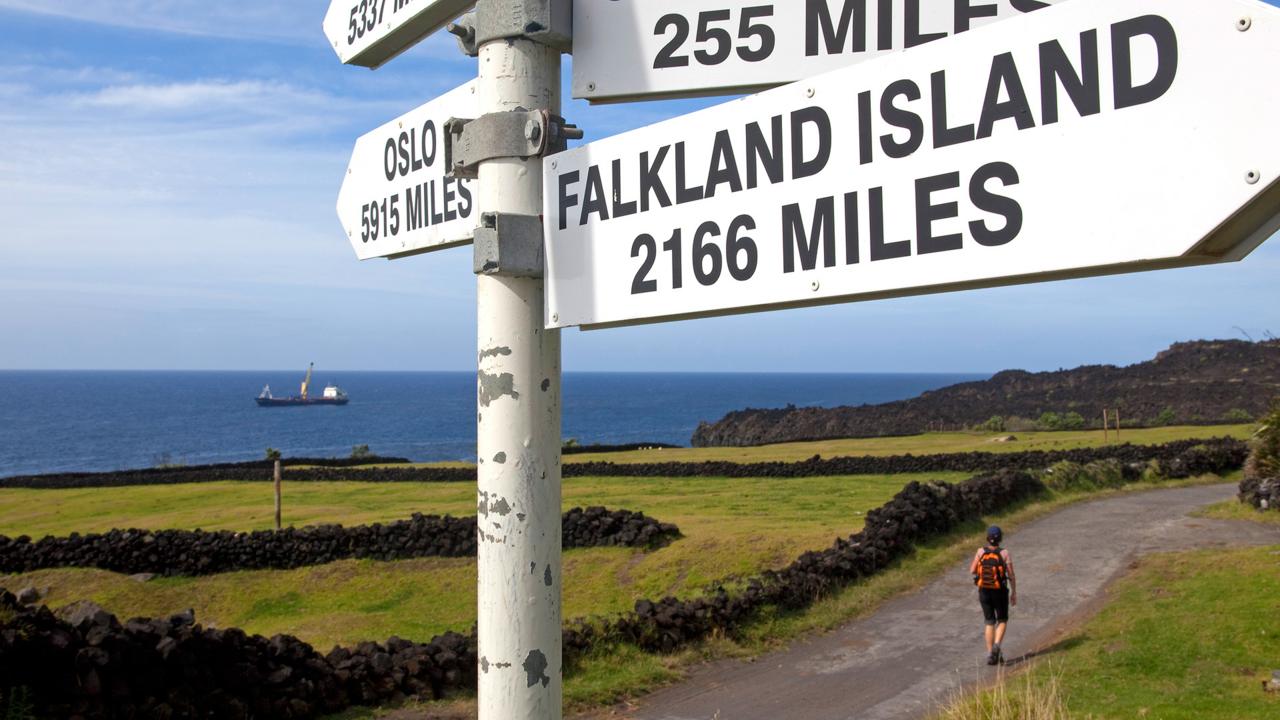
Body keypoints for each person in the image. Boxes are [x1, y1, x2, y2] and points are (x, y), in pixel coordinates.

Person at [969, 525, 1016, 665]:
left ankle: (991, 655)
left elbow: (972, 570)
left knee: (989, 622)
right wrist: (1014, 592)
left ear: (987, 538)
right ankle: (997, 645)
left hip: (984, 591)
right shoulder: (1005, 553)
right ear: (1000, 538)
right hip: (1000, 592)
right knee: (1002, 620)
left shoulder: (980, 552)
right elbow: (1011, 575)